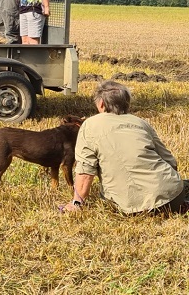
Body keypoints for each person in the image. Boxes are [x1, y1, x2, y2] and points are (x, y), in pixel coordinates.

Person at [60, 81, 188, 215]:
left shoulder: (90, 125)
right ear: (126, 103)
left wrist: (77, 202)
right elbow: (171, 162)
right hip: (173, 197)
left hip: (129, 206)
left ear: (101, 103)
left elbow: (86, 170)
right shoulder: (141, 123)